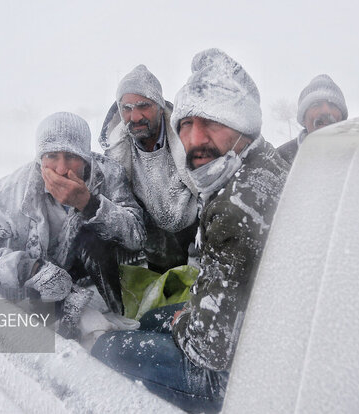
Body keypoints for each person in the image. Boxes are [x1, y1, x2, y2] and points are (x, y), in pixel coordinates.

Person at [91, 49, 290, 412]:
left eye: (212, 121)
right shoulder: (260, 162)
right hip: (255, 319)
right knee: (150, 319)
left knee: (109, 347)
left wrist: (186, 320)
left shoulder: (235, 207)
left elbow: (210, 349)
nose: (195, 138)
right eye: (187, 123)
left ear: (243, 122)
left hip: (243, 374)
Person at [0, 112, 146, 338]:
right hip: (35, 294)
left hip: (90, 283)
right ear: (40, 159)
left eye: (71, 156)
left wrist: (89, 204)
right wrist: (30, 269)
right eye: (51, 156)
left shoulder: (108, 174)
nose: (60, 169)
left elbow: (136, 236)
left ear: (86, 158)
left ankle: (112, 309)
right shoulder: (11, 193)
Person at [99, 65, 198, 273]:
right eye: (126, 108)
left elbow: (210, 189)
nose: (134, 117)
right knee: (166, 291)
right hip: (154, 236)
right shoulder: (117, 151)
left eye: (143, 105)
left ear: (160, 106)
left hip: (194, 224)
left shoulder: (188, 137)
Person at [277, 74, 348, 164]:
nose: (326, 111)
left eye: (332, 105)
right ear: (303, 118)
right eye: (316, 105)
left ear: (342, 118)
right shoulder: (280, 160)